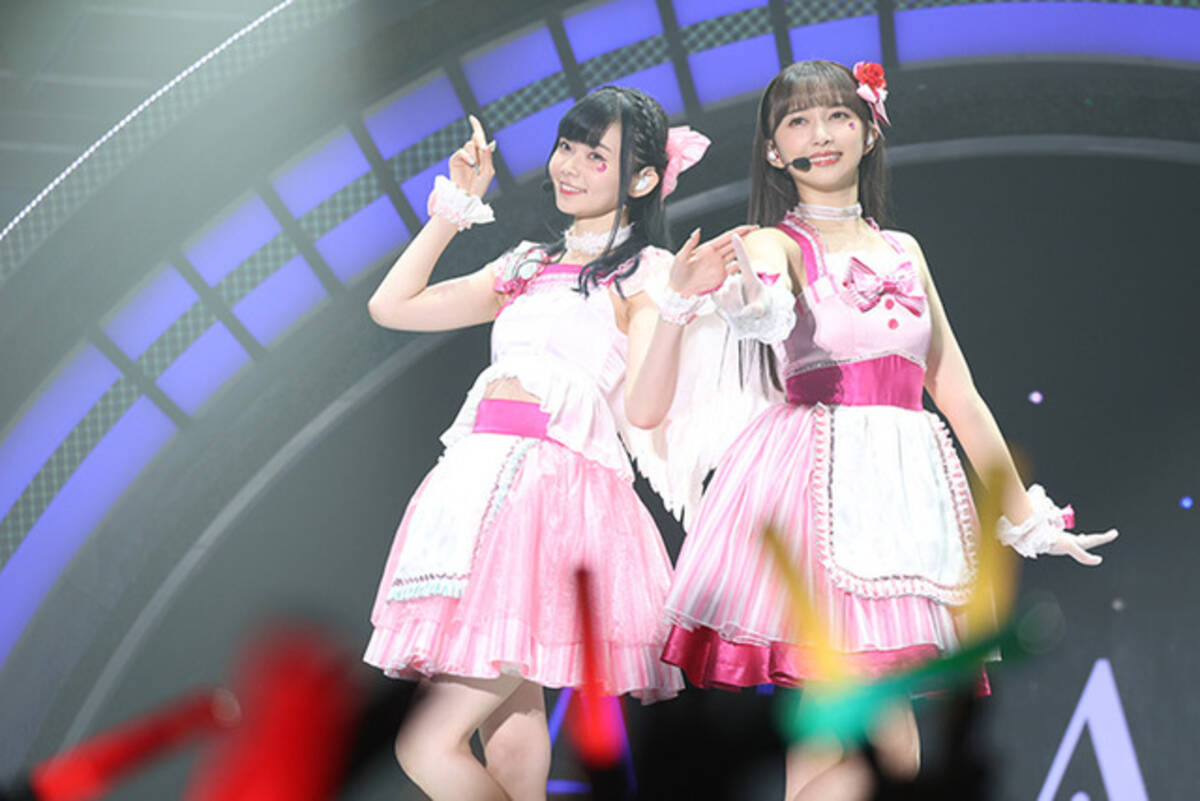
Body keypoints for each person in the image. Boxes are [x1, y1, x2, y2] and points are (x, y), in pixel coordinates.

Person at [627, 60, 1119, 800]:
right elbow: (762, 303)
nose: (819, 134)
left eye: (837, 116)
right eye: (797, 121)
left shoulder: (905, 251)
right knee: (885, 747)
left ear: (869, 130)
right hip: (821, 496)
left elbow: (956, 392)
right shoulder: (776, 243)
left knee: (832, 748)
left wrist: (1028, 518)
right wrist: (744, 294)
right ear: (773, 151)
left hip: (903, 500)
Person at [361, 86, 742, 801]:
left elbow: (646, 407)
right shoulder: (527, 263)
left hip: (551, 503)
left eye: (595, 156)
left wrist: (679, 304)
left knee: (424, 744)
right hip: (478, 496)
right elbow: (392, 305)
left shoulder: (647, 274)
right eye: (567, 146)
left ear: (642, 179)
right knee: (510, 750)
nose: (569, 165)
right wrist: (454, 208)